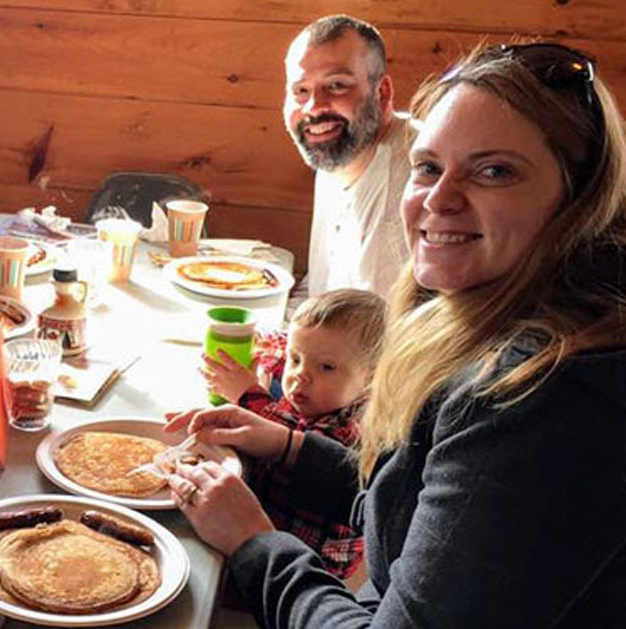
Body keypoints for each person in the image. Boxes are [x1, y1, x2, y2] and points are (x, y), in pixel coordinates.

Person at [166, 42, 626, 626]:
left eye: (494, 171)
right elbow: (410, 508)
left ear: (579, 202)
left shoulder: (545, 394)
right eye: (428, 167)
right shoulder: (489, 317)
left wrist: (253, 541)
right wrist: (286, 445)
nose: (439, 199)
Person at [202, 288, 386, 578]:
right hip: (270, 524)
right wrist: (262, 346)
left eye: (326, 367)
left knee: (200, 568)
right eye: (296, 359)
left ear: (372, 378)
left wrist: (248, 394)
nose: (301, 375)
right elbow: (284, 346)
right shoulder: (321, 389)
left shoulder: (355, 428)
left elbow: (287, 438)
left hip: (303, 563)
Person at [284, 15, 411, 299]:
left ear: (382, 93)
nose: (314, 108)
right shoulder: (338, 155)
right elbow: (321, 293)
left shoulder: (416, 177)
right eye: (301, 91)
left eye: (337, 85)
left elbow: (378, 336)